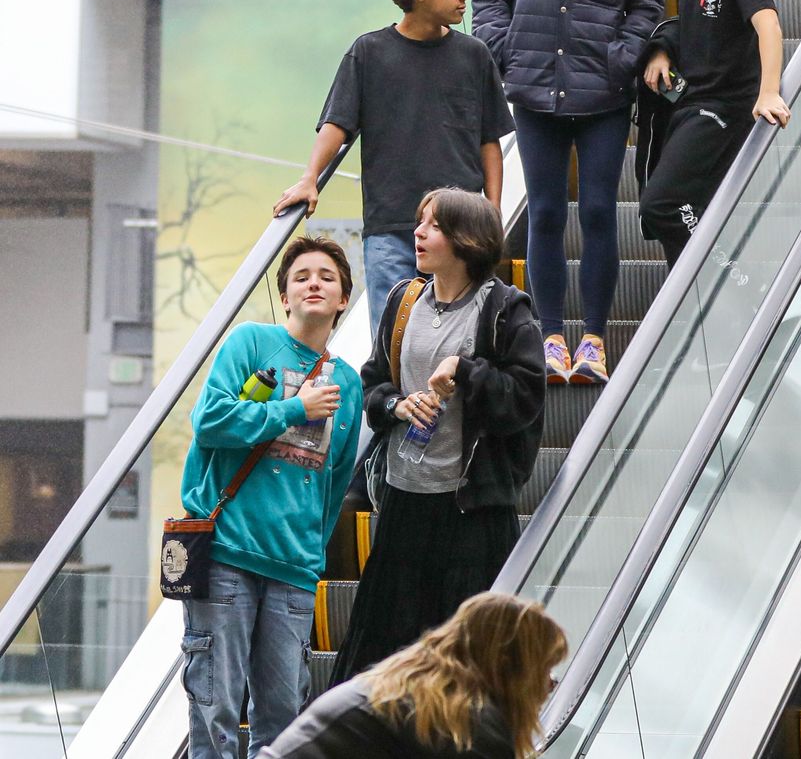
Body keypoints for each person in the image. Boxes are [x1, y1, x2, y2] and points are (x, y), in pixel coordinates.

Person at [472, 0, 663, 386]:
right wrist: (504, 53)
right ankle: (551, 338)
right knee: (547, 214)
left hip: (604, 96)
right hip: (535, 94)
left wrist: (621, 59)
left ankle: (595, 342)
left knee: (602, 211)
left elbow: (647, 7)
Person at [330, 188, 545, 685]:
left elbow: (525, 400)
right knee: (384, 663)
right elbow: (372, 382)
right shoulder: (403, 302)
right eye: (419, 222)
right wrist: (395, 404)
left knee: (469, 665)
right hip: (404, 501)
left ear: (465, 239)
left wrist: (466, 371)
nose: (418, 234)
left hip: (472, 511)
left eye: (432, 226)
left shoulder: (505, 310)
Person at [179, 235, 362, 759]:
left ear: (343, 298)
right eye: (301, 276)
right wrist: (293, 410)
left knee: (284, 720)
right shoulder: (251, 344)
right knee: (214, 710)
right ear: (285, 295)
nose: (313, 283)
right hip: (226, 558)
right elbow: (209, 422)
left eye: (326, 277)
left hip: (293, 570)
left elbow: (335, 482)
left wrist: (310, 552)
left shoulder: (346, 382)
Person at [273, 0, 515, 337]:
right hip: (391, 226)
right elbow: (337, 124)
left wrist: (493, 209)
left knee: (463, 336)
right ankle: (398, 404)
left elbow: (490, 140)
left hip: (461, 225)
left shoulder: (474, 55)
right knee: (393, 341)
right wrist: (309, 178)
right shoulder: (369, 52)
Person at [637, 0, 789, 268]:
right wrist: (662, 49)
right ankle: (692, 304)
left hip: (723, 109)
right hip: (689, 103)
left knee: (662, 204)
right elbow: (691, 25)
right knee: (681, 210)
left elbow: (768, 26)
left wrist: (769, 92)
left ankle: (725, 280)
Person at [257, 592, 568, 759]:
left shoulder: (414, 691)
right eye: (544, 669)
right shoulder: (466, 724)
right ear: (509, 666)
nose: (550, 684)